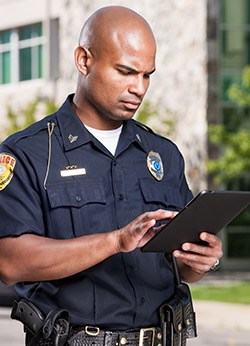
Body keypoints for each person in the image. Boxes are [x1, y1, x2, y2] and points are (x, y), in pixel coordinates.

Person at [0, 5, 222, 346]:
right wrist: (115, 241)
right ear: (84, 60)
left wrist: (200, 261)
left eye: (147, 75)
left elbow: (181, 268)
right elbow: (10, 262)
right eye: (126, 71)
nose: (139, 88)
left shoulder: (163, 154)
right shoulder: (27, 154)